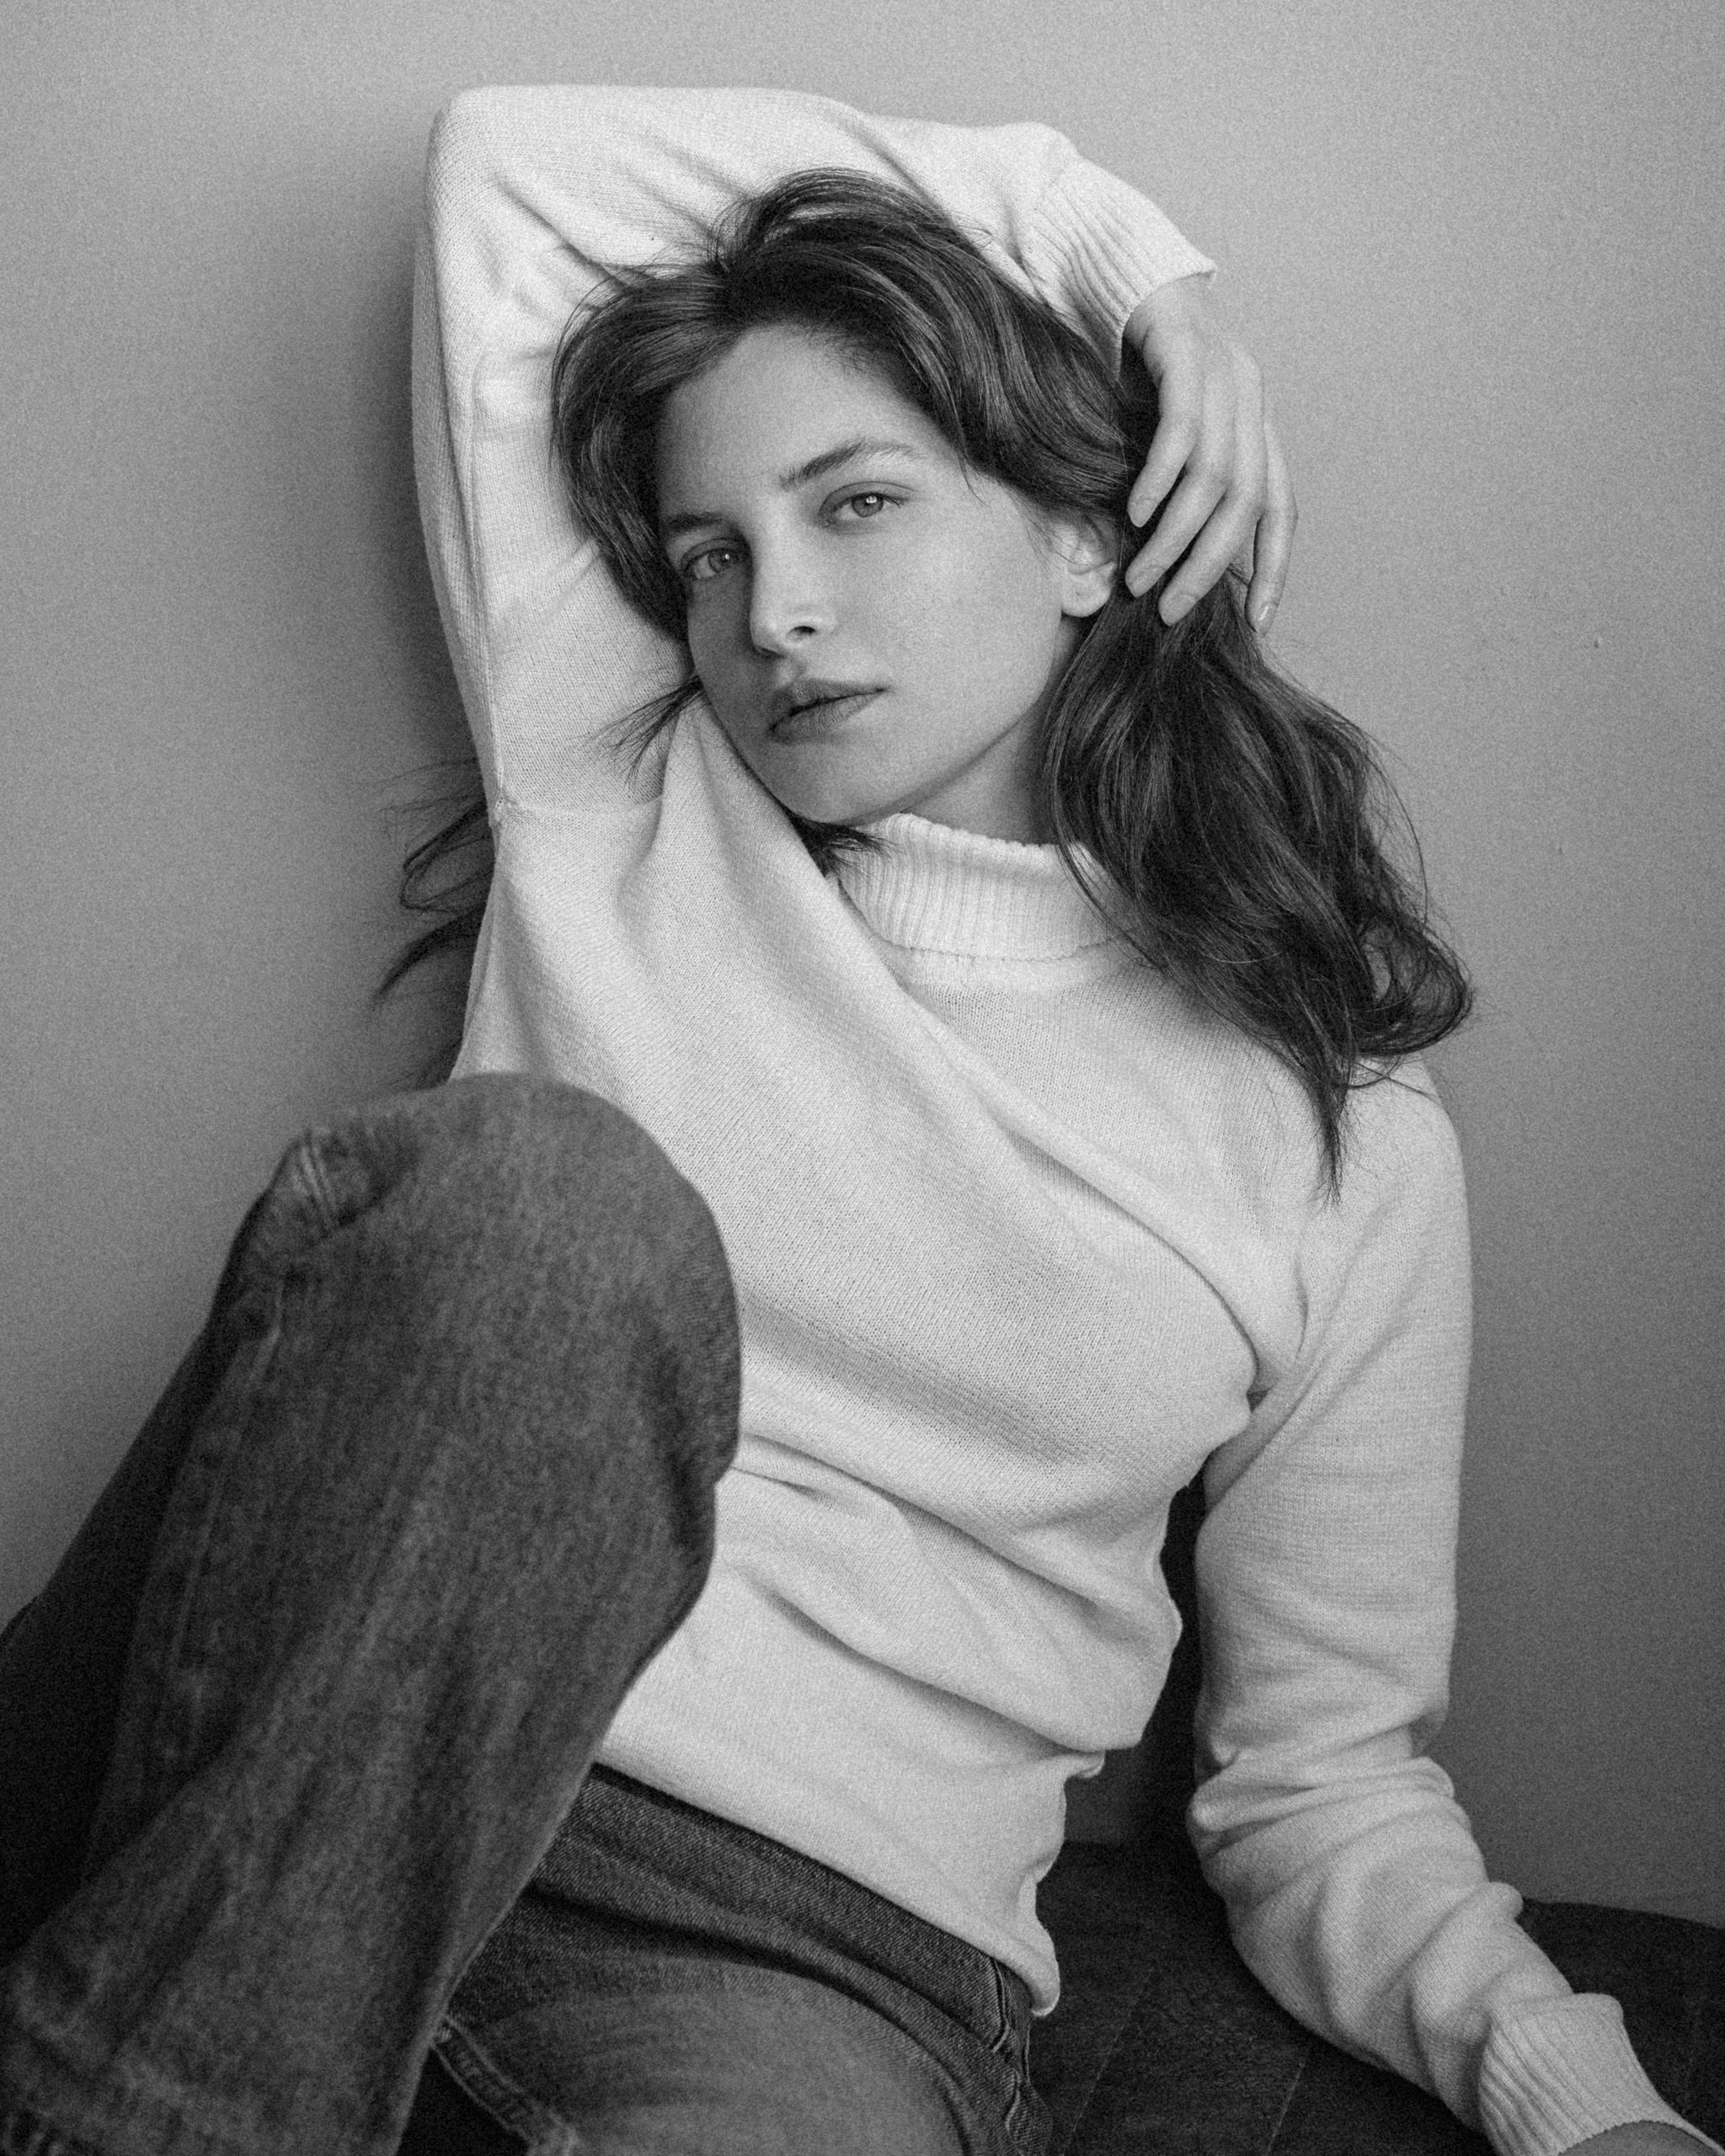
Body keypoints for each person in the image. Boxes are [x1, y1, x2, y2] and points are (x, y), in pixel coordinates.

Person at [0, 83, 1712, 2156]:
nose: (771, 612)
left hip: (777, 1950)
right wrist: (1117, 256)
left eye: (859, 503)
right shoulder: (615, 781)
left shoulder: (1333, 1138)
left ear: (1088, 529)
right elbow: (507, 166)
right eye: (710, 553)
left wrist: (1572, 2094)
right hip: (281, 1725)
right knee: (557, 1205)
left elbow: (1320, 1781)